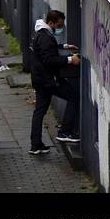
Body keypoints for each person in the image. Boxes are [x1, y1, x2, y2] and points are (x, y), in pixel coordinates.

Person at [28, 9, 81, 154]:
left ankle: (36, 145)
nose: (60, 28)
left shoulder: (41, 33)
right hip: (48, 80)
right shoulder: (45, 37)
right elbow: (49, 59)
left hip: (40, 80)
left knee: (39, 111)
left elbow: (46, 49)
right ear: (51, 22)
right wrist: (70, 59)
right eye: (58, 26)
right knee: (73, 96)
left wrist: (64, 46)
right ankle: (64, 132)